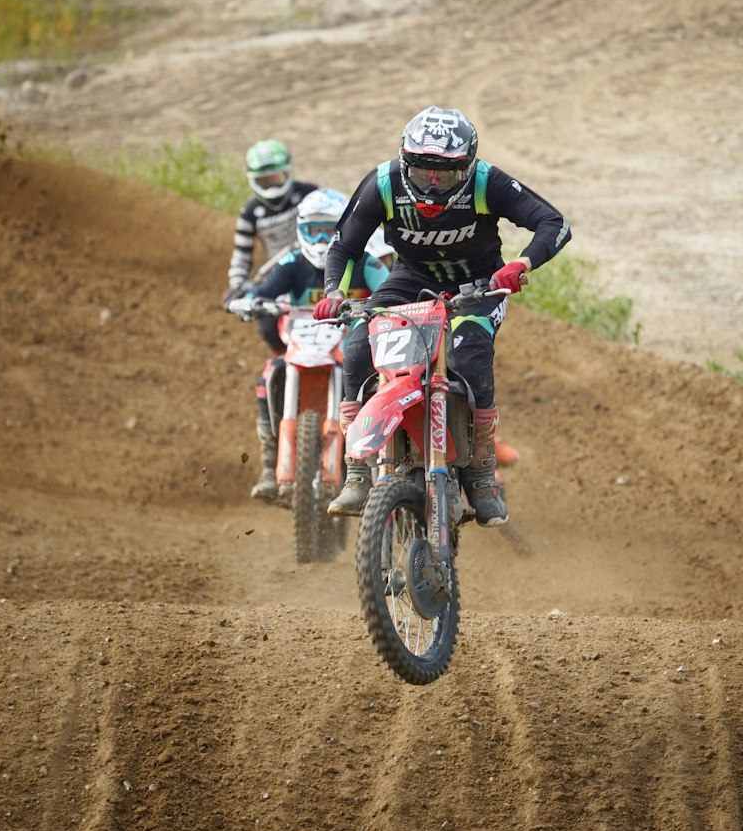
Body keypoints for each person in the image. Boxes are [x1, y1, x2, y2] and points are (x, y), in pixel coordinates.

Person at [313, 105, 571, 524]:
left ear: (467, 167)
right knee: (359, 345)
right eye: (421, 170)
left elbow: (553, 222)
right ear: (404, 161)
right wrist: (333, 293)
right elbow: (344, 246)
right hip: (410, 279)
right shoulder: (384, 182)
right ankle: (357, 472)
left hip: (480, 285)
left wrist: (521, 265)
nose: (432, 181)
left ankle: (482, 473)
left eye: (445, 172)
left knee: (469, 357)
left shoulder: (488, 181)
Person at [231, 188, 389, 501]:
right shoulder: (292, 261)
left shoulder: (364, 262)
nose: (319, 240)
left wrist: (385, 304)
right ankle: (267, 464)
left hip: (353, 348)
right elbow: (262, 291)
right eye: (312, 231)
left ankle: (382, 466)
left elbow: (389, 288)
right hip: (303, 347)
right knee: (267, 375)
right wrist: (248, 302)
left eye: (327, 231)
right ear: (300, 231)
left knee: (380, 386)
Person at [222, 139, 318, 356]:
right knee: (267, 326)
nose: (272, 184)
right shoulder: (250, 213)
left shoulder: (309, 194)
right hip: (281, 276)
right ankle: (286, 360)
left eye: (276, 177)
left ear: (287, 172)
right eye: (264, 180)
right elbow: (241, 255)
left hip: (318, 266)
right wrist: (237, 284)